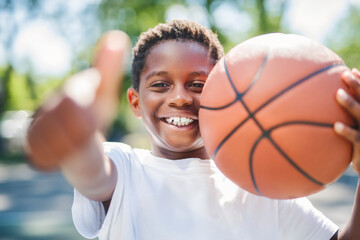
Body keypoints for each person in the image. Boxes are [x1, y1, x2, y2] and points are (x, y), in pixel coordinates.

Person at [24, 19, 360, 240]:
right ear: (136, 102)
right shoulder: (124, 169)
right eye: (160, 85)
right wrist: (77, 139)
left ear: (223, 91)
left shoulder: (262, 187)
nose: (181, 97)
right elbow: (92, 172)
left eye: (198, 84)